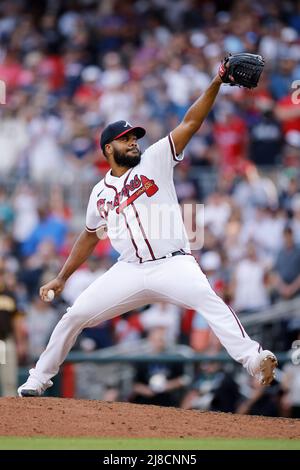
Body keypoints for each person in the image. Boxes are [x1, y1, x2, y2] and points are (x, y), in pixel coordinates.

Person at [18, 61, 277, 398]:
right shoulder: (99, 193)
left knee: (207, 298)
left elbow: (192, 121)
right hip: (129, 269)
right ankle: (38, 378)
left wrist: (216, 81)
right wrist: (62, 277)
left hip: (173, 264)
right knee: (75, 314)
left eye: (135, 137)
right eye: (126, 139)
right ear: (109, 148)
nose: (135, 142)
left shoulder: (156, 159)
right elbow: (88, 236)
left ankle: (254, 360)